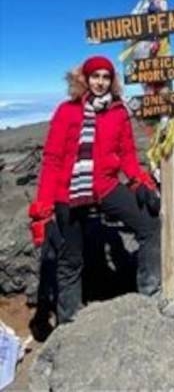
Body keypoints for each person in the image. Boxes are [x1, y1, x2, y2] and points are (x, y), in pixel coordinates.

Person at [27, 56, 161, 324]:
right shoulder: (67, 111)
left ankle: (150, 294)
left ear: (112, 81)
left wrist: (139, 181)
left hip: (106, 185)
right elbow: (52, 159)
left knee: (149, 224)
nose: (100, 82)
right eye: (95, 76)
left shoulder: (119, 112)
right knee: (70, 260)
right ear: (85, 79)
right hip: (69, 192)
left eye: (106, 77)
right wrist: (43, 208)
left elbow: (126, 155)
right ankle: (69, 323)